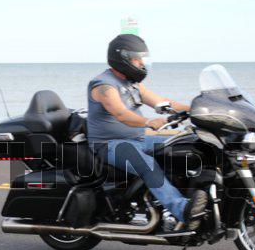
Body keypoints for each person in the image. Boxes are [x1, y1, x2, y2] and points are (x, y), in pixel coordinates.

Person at [87, 34, 207, 231]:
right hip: (110, 144)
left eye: (142, 58)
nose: (141, 63)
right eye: (137, 59)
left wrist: (200, 110)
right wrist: (149, 122)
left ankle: (196, 195)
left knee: (189, 144)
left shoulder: (132, 83)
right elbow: (121, 114)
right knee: (147, 164)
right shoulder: (103, 86)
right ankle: (182, 209)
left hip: (139, 138)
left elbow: (165, 103)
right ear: (122, 58)